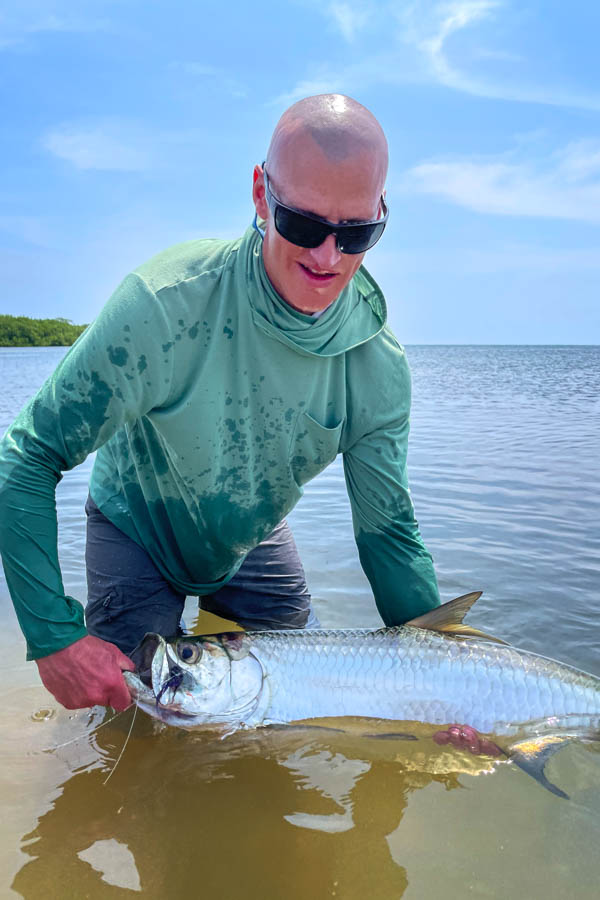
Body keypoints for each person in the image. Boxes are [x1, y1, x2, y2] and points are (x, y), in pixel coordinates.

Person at [0, 93, 440, 714]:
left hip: (251, 536)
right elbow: (25, 457)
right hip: (137, 526)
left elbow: (389, 533)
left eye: (356, 233)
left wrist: (446, 678)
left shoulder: (377, 366)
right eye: (304, 224)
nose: (326, 256)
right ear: (262, 194)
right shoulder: (163, 306)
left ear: (381, 215)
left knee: (292, 714)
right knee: (143, 720)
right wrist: (53, 639)